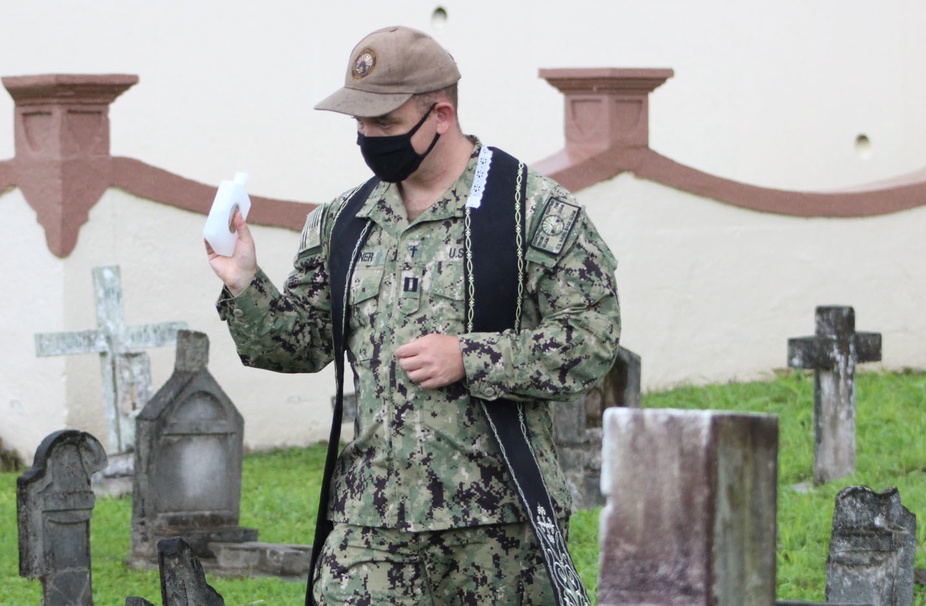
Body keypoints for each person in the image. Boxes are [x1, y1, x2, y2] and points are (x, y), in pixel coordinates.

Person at [206, 25, 620, 606]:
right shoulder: (342, 221)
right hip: (370, 521)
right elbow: (301, 345)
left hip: (497, 522)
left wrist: (470, 356)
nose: (369, 138)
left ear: (441, 115)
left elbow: (591, 342)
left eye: (385, 125)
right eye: (360, 125)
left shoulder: (530, 211)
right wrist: (246, 283)